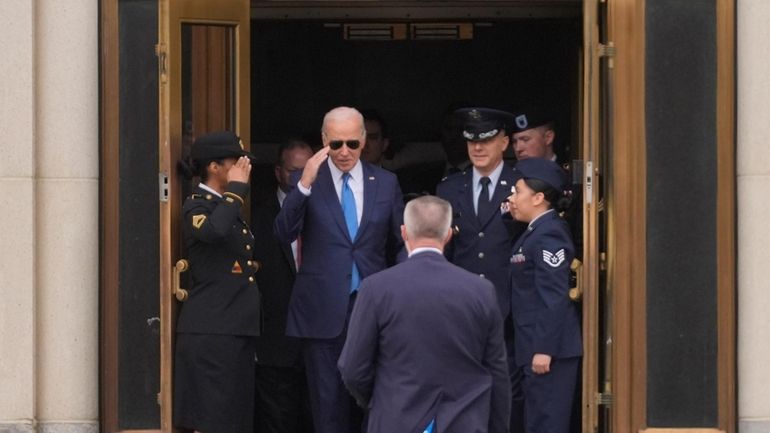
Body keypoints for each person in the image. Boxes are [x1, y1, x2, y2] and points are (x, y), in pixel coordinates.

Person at [274, 106, 405, 433]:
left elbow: (401, 242)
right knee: (327, 405)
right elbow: (283, 233)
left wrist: (401, 291)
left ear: (364, 141)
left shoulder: (386, 183)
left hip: (373, 307)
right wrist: (303, 184)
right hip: (321, 310)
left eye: (351, 143)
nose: (344, 152)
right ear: (323, 141)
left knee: (377, 401)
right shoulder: (307, 182)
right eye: (335, 145)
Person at [338, 195, 510, 433]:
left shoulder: (376, 288)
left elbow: (352, 368)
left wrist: (380, 400)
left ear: (403, 232)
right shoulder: (481, 291)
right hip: (465, 422)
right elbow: (497, 372)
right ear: (449, 234)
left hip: (396, 419)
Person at [436, 107, 527, 433]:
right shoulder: (449, 188)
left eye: (486, 140)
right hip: (461, 309)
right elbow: (442, 251)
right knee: (460, 390)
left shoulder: (521, 185)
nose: (477, 147)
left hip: (508, 310)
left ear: (504, 142)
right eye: (471, 140)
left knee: (507, 394)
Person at [174, 131, 260, 433]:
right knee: (212, 419)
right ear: (213, 167)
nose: (243, 167)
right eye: (235, 162)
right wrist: (236, 191)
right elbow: (213, 232)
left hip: (234, 327)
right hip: (211, 330)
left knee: (233, 417)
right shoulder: (198, 205)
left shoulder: (225, 206)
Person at [506, 157, 583, 433]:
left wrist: (544, 349)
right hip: (534, 346)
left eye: (517, 191)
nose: (511, 198)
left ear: (538, 197)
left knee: (547, 423)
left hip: (549, 352)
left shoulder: (549, 234)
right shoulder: (535, 231)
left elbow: (554, 296)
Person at [252, 139, 314, 433]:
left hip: (318, 341)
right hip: (274, 342)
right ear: (278, 172)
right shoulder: (255, 217)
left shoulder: (327, 212)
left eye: (307, 171)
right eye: (293, 171)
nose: (300, 178)